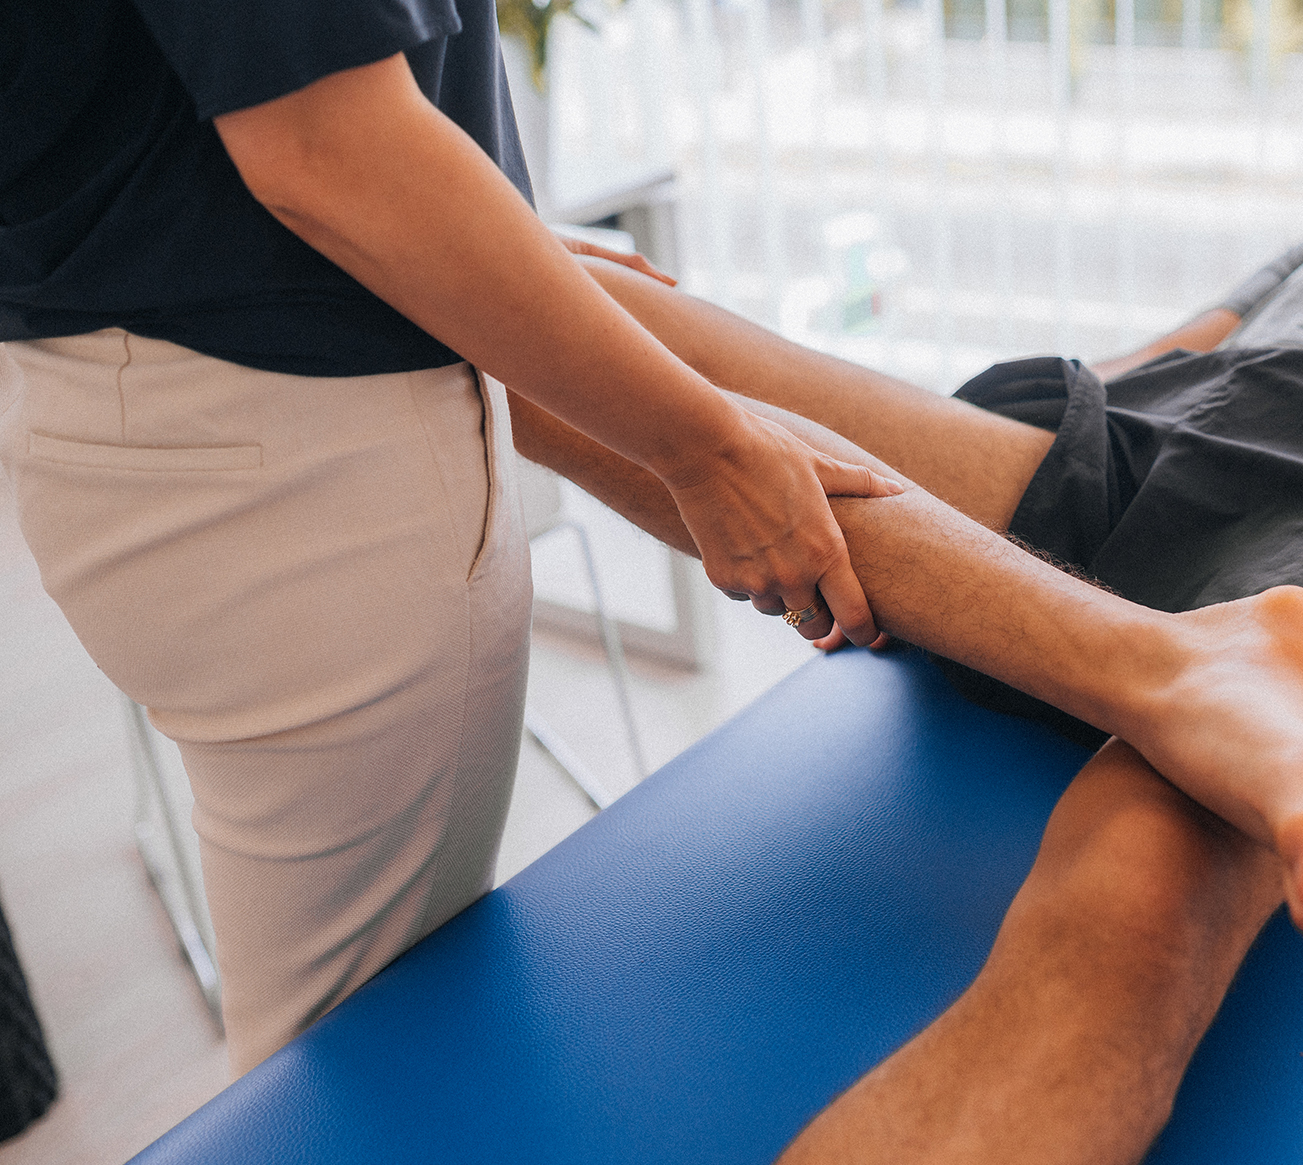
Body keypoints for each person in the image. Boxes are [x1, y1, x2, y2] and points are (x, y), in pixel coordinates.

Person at [502, 114, 1303, 1165]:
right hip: (1138, 433)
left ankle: (1250, 662)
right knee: (566, 317)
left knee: (1128, 908)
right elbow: (1179, 348)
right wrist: (944, 447)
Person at [0, 0, 901, 1072]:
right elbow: (321, 142)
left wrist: (491, 226)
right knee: (356, 1070)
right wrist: (713, 453)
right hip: (285, 449)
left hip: (138, 407)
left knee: (343, 1050)